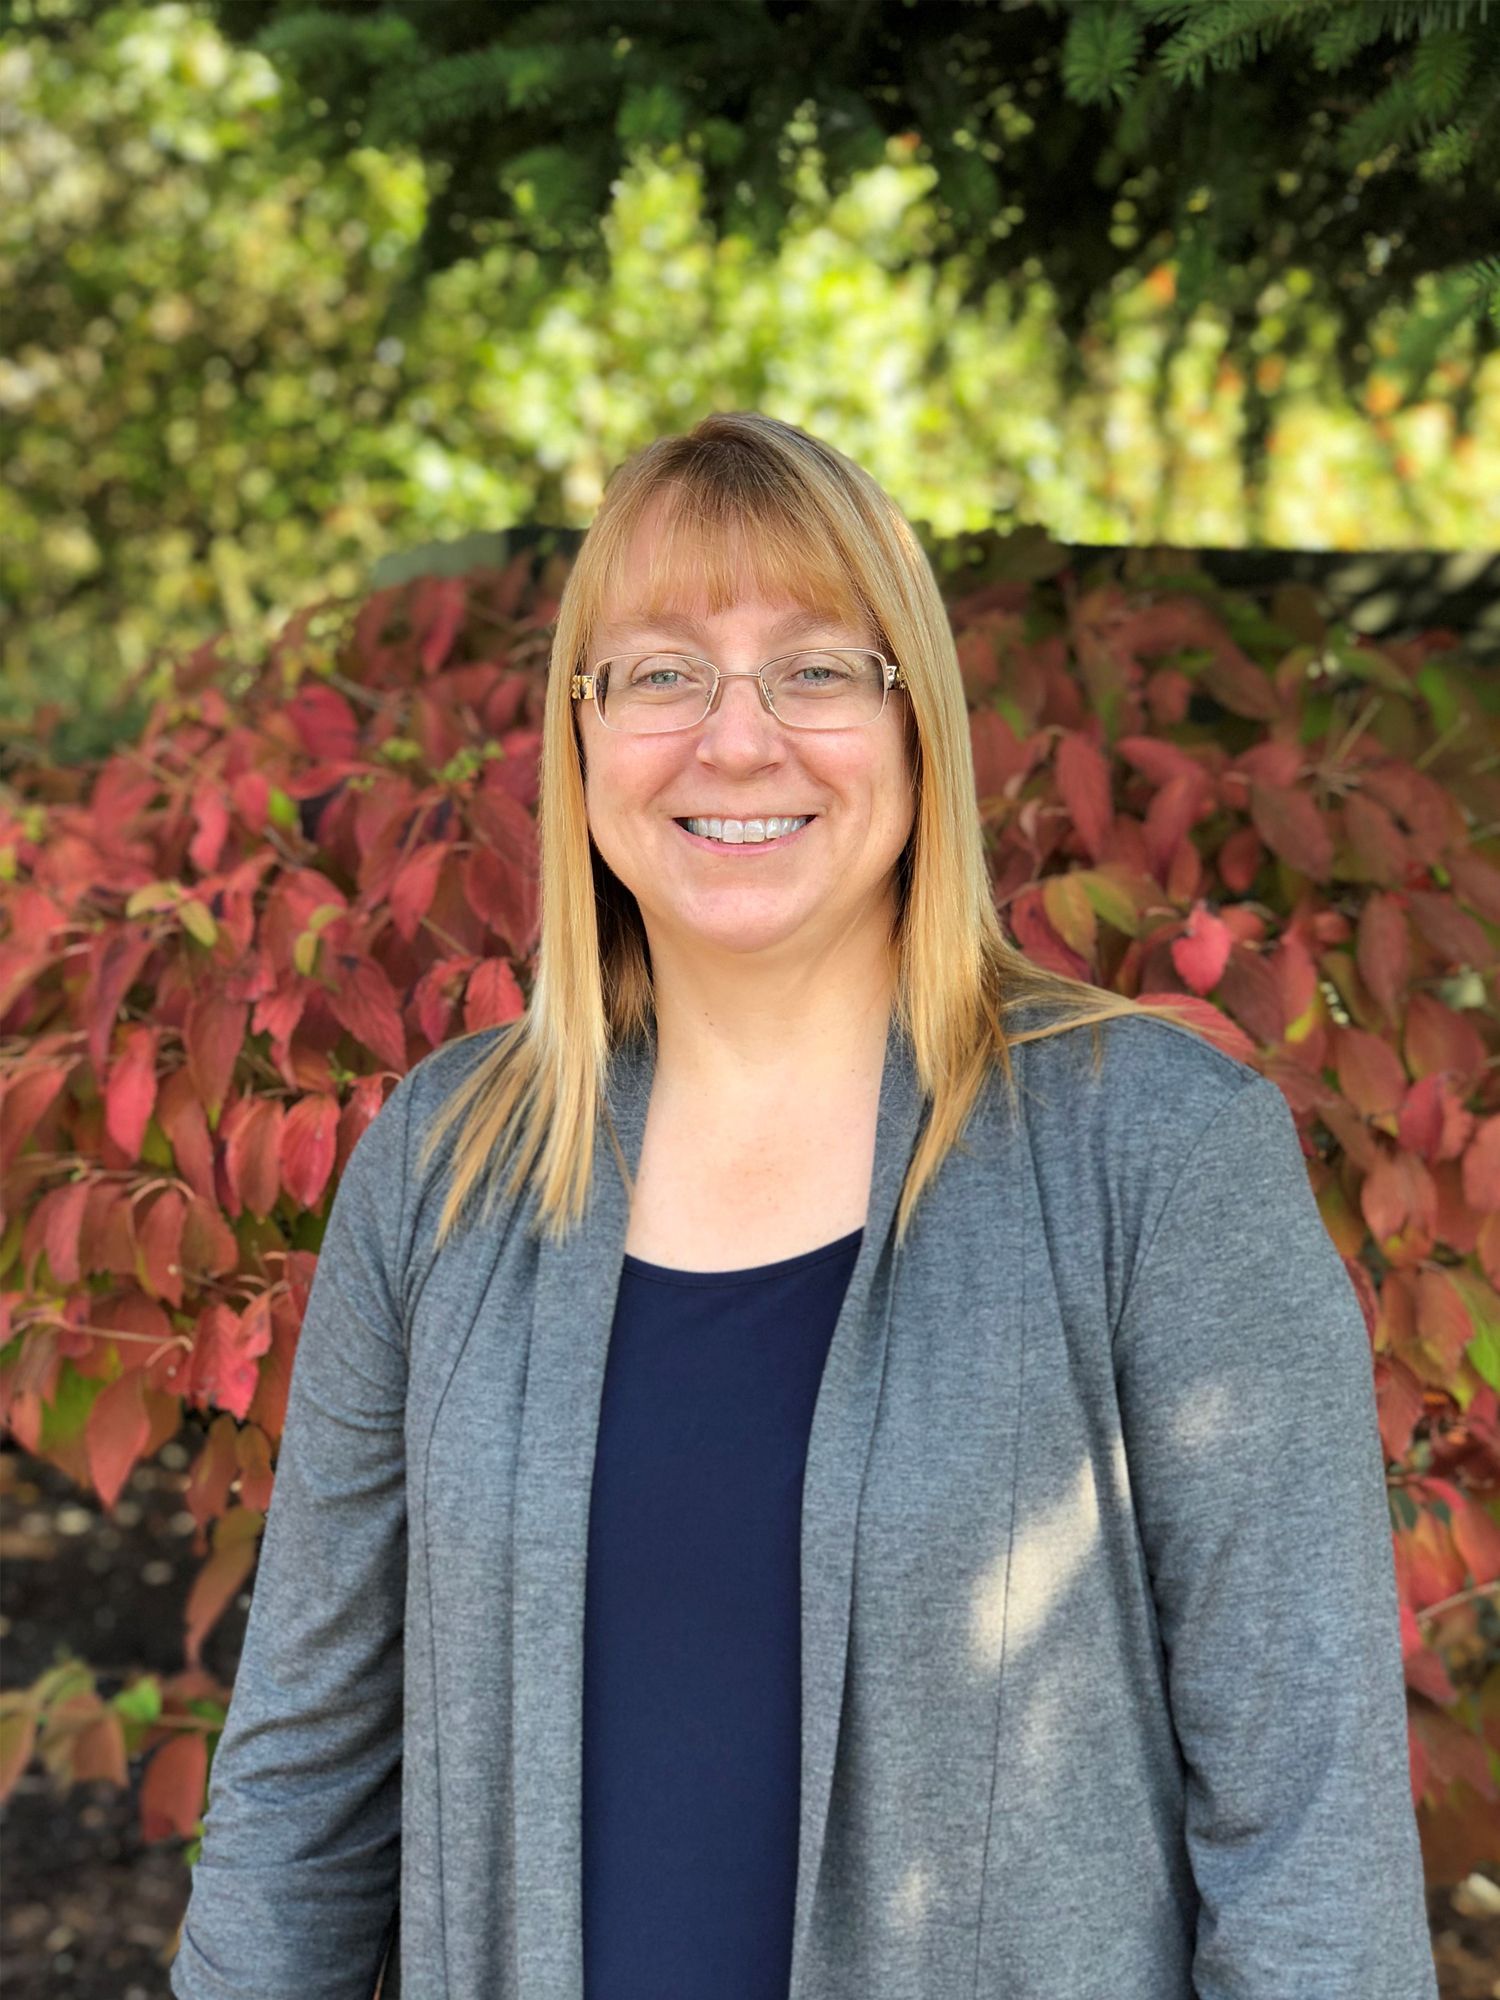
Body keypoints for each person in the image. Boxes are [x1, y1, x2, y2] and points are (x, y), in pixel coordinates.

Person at [170, 413, 1435, 2000]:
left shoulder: (1160, 1157)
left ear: (919, 728)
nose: (739, 738)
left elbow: (1310, 1837)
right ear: (582, 735)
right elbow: (301, 1787)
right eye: (662, 672)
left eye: (818, 669)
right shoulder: (441, 1167)